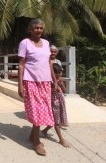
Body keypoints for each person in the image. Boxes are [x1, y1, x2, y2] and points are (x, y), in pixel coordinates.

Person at [18, 18, 57, 156]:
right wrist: (20, 85)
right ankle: (36, 142)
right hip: (30, 81)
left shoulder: (46, 43)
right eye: (36, 28)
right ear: (30, 29)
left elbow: (49, 62)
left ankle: (32, 136)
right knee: (36, 111)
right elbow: (22, 64)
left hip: (45, 82)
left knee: (43, 110)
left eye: (41, 28)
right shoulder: (25, 43)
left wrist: (54, 79)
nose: (39, 30)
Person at [41, 63, 70, 147]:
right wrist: (53, 89)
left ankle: (44, 131)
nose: (59, 74)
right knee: (56, 122)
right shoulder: (48, 81)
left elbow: (64, 91)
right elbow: (45, 92)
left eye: (60, 72)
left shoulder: (60, 79)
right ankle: (61, 139)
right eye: (57, 73)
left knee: (55, 121)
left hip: (60, 102)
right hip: (53, 103)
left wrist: (61, 83)